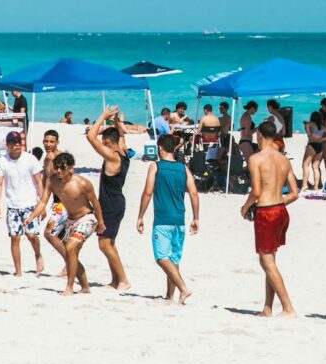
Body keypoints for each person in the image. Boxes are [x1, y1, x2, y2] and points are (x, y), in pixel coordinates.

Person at [240, 120, 300, 317]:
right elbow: (294, 193)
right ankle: (267, 307)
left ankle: (288, 307)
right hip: (281, 210)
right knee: (271, 259)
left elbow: (256, 191)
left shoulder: (255, 159)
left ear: (258, 136)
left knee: (266, 261)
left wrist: (246, 206)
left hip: (266, 212)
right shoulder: (284, 160)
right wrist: (278, 201)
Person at [25, 153, 106, 296]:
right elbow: (43, 201)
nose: (59, 171)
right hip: (70, 220)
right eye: (57, 168)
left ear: (71, 168)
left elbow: (96, 203)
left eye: (63, 168)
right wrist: (31, 216)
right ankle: (85, 287)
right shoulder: (52, 181)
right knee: (71, 254)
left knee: (70, 248)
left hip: (86, 218)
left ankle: (69, 287)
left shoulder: (82, 183)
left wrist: (100, 223)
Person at [136, 134, 201, 304]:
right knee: (173, 260)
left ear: (159, 148)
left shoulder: (156, 166)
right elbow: (193, 193)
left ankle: (183, 288)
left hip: (163, 220)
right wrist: (196, 218)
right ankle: (170, 296)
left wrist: (140, 216)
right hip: (179, 220)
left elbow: (148, 192)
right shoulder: (183, 168)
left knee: (161, 258)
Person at [87, 106, 131, 290]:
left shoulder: (113, 156)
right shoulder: (123, 151)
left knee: (104, 244)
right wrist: (115, 122)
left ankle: (123, 280)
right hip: (116, 201)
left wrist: (103, 115)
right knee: (109, 243)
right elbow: (121, 135)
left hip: (111, 204)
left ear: (106, 141)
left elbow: (91, 136)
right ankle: (115, 281)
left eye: (104, 141)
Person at [0, 131, 44, 277]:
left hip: (30, 203)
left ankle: (37, 254)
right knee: (15, 238)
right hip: (12, 205)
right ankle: (18, 270)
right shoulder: (2, 161)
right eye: (13, 143)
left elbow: (39, 181)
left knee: (31, 234)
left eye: (19, 142)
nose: (17, 145)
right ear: (7, 144)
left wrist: (42, 204)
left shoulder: (30, 159)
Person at [34, 130, 70, 275]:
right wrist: (42, 204)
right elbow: (45, 181)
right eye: (46, 141)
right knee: (61, 236)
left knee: (49, 233)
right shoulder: (47, 159)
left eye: (51, 142)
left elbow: (69, 180)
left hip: (66, 201)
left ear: (57, 142)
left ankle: (71, 261)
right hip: (55, 200)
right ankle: (69, 265)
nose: (48, 144)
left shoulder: (61, 158)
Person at [302, 111, 326, 190]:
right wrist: (322, 139)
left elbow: (306, 125)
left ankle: (305, 185)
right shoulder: (322, 127)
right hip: (320, 146)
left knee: (305, 165)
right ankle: (316, 186)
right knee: (315, 167)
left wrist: (309, 134)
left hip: (312, 145)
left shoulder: (310, 124)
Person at [237, 101, 258, 166]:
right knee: (250, 165)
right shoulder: (247, 117)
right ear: (251, 108)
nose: (256, 111)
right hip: (246, 143)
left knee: (252, 163)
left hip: (246, 142)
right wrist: (258, 128)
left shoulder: (246, 115)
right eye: (255, 109)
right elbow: (247, 133)